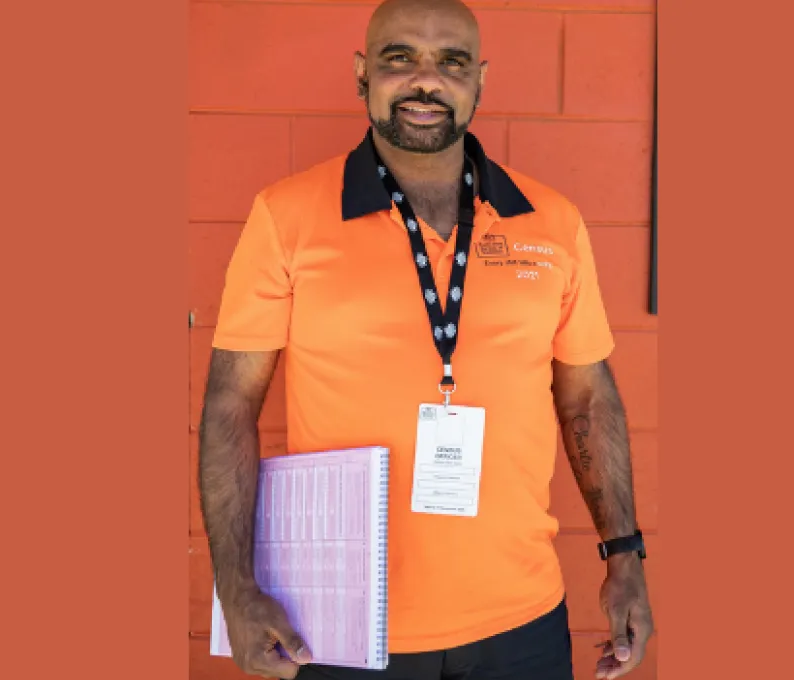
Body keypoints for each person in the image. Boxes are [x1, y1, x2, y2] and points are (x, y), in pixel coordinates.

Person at [197, 0, 653, 678]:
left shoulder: (552, 222)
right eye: (398, 58)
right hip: (340, 624)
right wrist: (235, 589)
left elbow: (588, 398)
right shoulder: (286, 217)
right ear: (362, 74)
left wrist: (624, 556)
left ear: (480, 80)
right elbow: (231, 403)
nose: (425, 81)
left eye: (451, 62)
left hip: (521, 620)